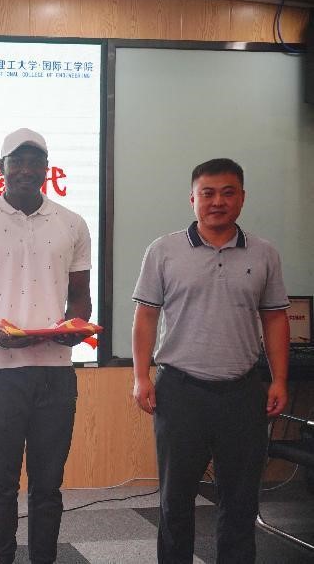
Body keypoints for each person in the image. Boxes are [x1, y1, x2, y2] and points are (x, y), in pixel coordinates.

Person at [131, 158, 290, 563]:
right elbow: (146, 316)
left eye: (227, 192)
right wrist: (140, 376)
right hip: (180, 391)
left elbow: (275, 318)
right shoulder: (163, 251)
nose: (218, 201)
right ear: (193, 199)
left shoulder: (265, 253)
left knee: (240, 502)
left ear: (242, 198)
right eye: (208, 193)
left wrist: (279, 379)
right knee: (175, 500)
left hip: (243, 392)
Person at [0, 128, 92, 564]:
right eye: (18, 161)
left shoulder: (72, 223)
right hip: (0, 373)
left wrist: (75, 325)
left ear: (47, 169)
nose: (27, 170)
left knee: (48, 484)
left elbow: (81, 296)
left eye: (36, 162)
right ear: (1, 167)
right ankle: (2, 557)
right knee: (2, 482)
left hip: (56, 371)